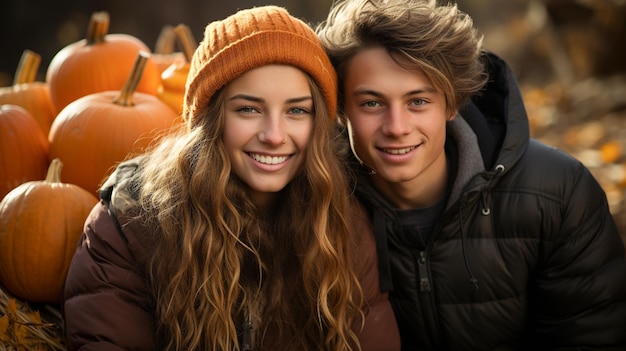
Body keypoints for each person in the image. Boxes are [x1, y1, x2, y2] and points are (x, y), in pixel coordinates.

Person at [62, 5, 400, 351]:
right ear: (211, 121)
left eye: (296, 110)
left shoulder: (341, 222)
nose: (273, 134)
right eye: (248, 109)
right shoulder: (132, 222)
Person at [316, 0, 626, 349]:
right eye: (372, 103)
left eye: (418, 101)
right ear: (342, 111)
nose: (397, 127)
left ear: (451, 103)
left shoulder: (558, 193)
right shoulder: (317, 209)